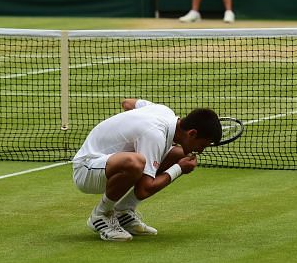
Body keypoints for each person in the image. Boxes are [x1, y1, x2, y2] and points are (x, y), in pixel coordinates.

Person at [73, 98, 222, 241]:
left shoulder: (163, 111)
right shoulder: (155, 135)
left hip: (106, 164)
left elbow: (128, 103)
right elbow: (143, 190)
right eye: (202, 145)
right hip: (86, 169)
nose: (200, 151)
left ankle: (123, 211)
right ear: (192, 133)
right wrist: (179, 169)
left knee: (177, 154)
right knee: (136, 162)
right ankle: (101, 214)